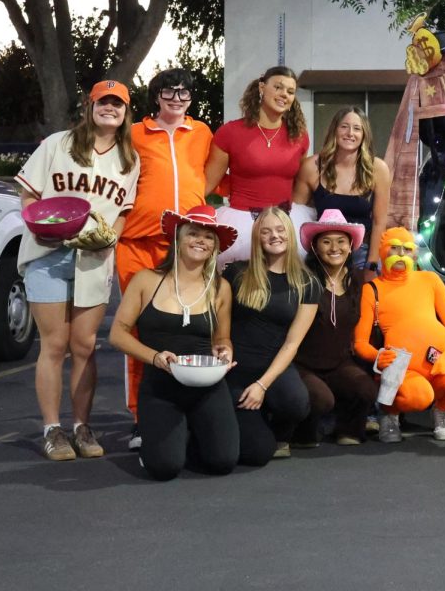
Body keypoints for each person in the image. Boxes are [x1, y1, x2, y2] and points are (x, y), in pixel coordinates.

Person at [17, 80, 140, 461]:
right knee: (54, 345)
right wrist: (44, 227)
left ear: (125, 113)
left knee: (84, 346)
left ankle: (81, 427)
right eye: (103, 102)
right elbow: (28, 194)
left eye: (117, 104)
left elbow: (122, 212)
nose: (110, 108)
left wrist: (111, 240)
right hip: (48, 252)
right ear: (90, 106)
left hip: (93, 258)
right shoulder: (59, 143)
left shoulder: (128, 159)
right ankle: (52, 429)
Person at [116, 68, 213, 450]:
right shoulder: (134, 132)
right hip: (138, 243)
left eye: (184, 92)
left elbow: (216, 177)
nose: (176, 97)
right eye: (169, 91)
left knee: (187, 328)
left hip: (185, 245)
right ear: (156, 96)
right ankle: (141, 417)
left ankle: (182, 410)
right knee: (139, 332)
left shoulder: (203, 133)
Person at [107, 206, 240, 480]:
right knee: (164, 468)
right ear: (178, 238)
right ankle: (159, 438)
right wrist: (155, 357)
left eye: (208, 237)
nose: (200, 241)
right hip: (161, 387)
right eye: (193, 234)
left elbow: (222, 338)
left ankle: (188, 434)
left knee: (223, 461)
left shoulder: (220, 287)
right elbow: (117, 334)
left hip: (208, 386)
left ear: (215, 247)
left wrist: (225, 350)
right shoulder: (147, 280)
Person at [353, 227, 445, 443]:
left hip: (437, 365)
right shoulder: (372, 289)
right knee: (419, 397)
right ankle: (390, 413)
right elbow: (359, 343)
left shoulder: (430, 280)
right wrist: (377, 356)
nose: (400, 254)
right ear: (383, 251)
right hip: (401, 370)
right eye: (394, 248)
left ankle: (441, 411)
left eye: (406, 249)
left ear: (414, 253)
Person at [224, 206, 319, 464]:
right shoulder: (237, 273)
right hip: (236, 370)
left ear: (289, 233)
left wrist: (262, 385)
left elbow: (292, 343)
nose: (274, 236)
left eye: (279, 230)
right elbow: (219, 323)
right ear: (257, 238)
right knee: (254, 455)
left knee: (296, 403)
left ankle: (277, 430)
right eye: (266, 231)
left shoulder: (307, 283)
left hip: (273, 369)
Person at [205, 66, 315, 265]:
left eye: (290, 92)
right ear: (262, 88)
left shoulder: (299, 137)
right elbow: (207, 184)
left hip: (286, 222)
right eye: (278, 87)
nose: (284, 94)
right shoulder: (230, 132)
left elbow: (298, 184)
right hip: (241, 223)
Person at [294, 209, 378, 446]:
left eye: (341, 241)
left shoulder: (357, 281)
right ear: (315, 247)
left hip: (339, 362)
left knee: (365, 389)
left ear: (351, 246)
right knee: (321, 399)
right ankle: (300, 433)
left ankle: (346, 430)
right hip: (302, 364)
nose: (334, 247)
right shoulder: (303, 279)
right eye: (326, 241)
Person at [293, 106, 391, 279]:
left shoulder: (378, 169)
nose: (350, 133)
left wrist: (372, 262)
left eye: (357, 128)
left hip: (362, 251)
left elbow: (379, 220)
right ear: (335, 130)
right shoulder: (311, 167)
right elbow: (297, 216)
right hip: (323, 251)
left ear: (364, 135)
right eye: (344, 126)